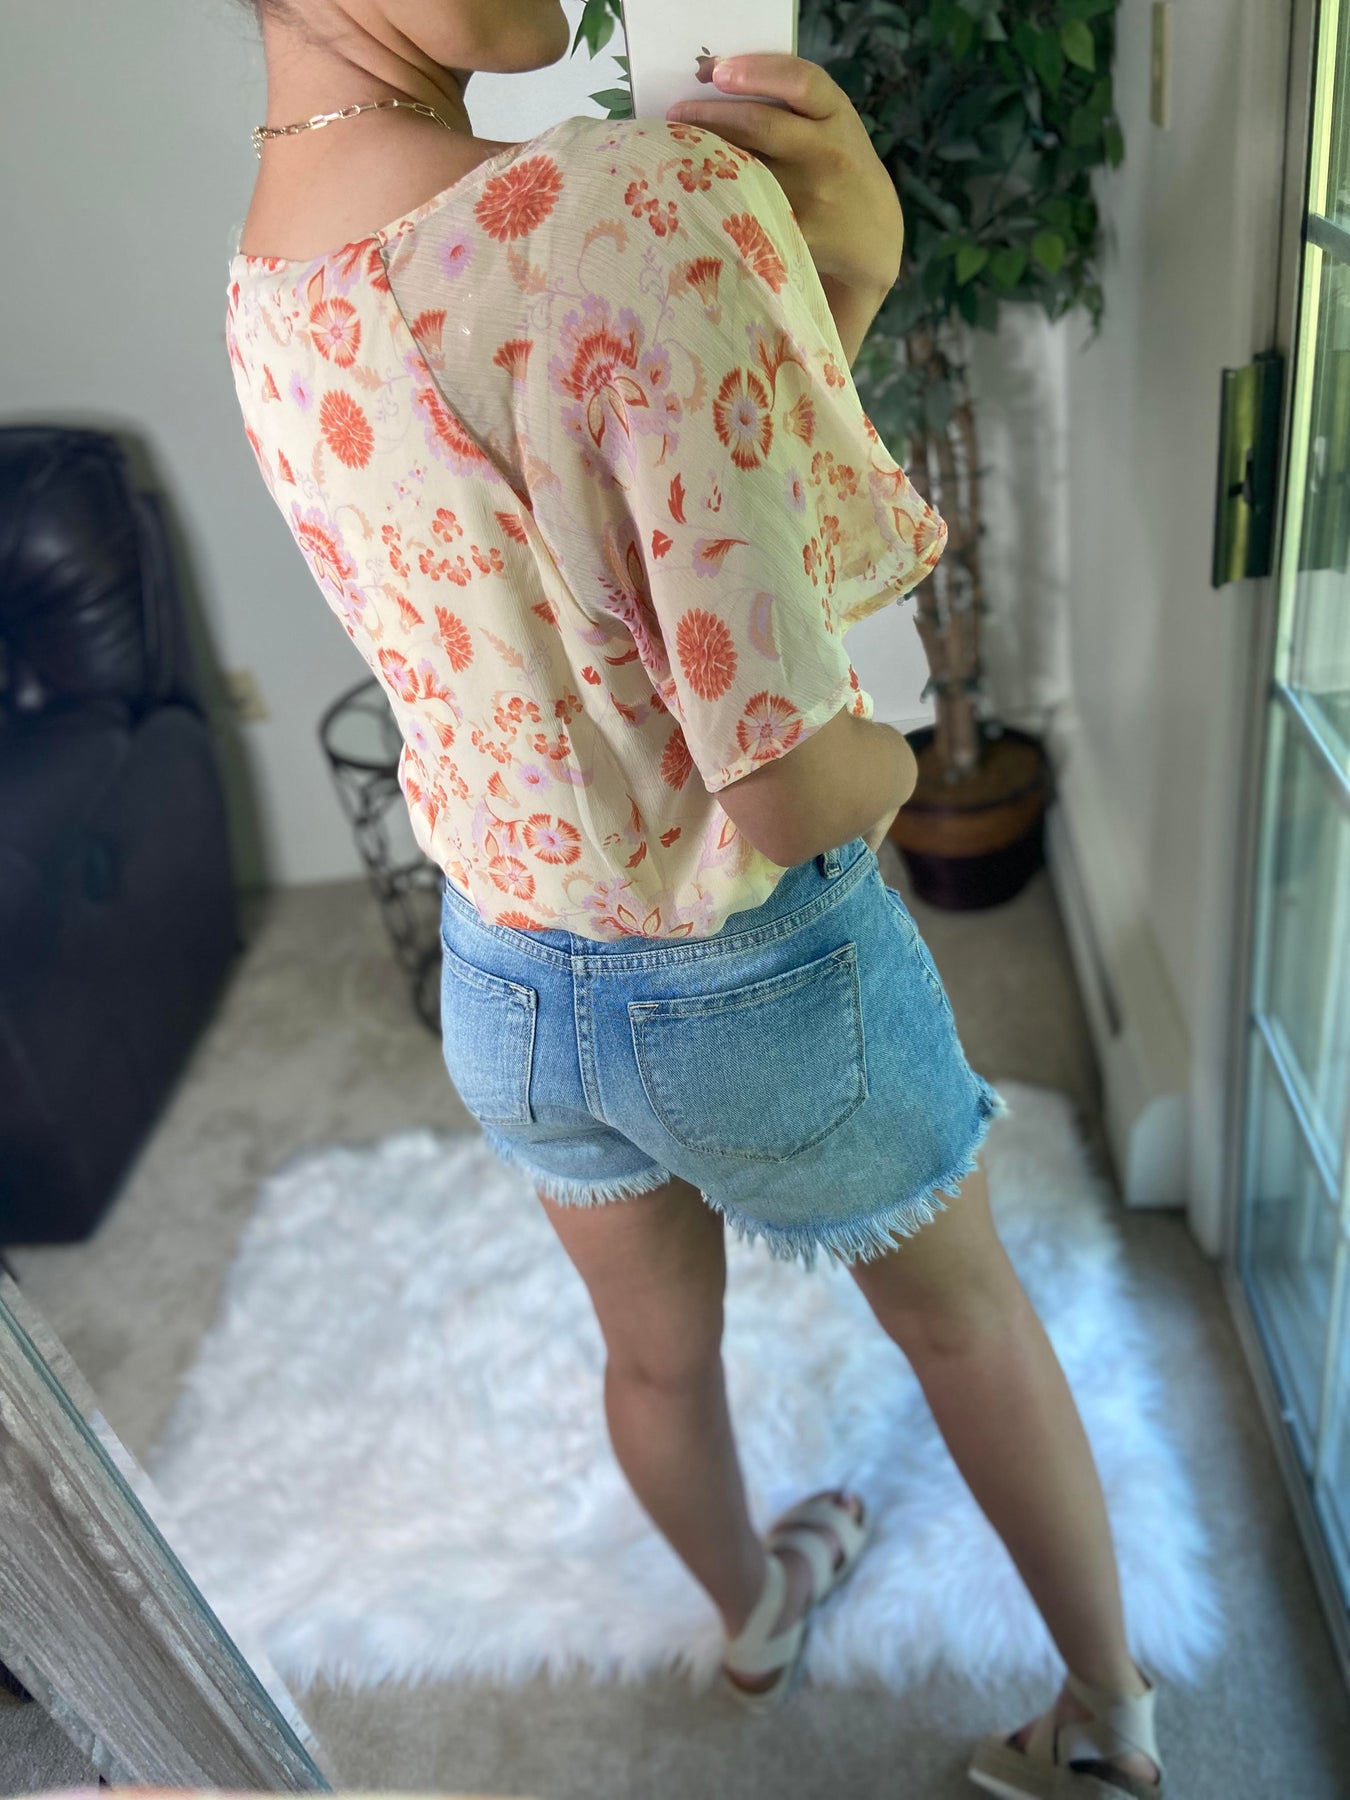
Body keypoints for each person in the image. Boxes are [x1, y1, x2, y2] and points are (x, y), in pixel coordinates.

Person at [224, 4, 1164, 1794]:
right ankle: (1108, 1723)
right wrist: (901, 769)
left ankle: (751, 1610)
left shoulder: (265, 280)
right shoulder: (636, 204)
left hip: (507, 980)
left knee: (652, 1364)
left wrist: (815, 291)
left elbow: (580, 554)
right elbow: (788, 769)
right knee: (959, 1313)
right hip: (748, 974)